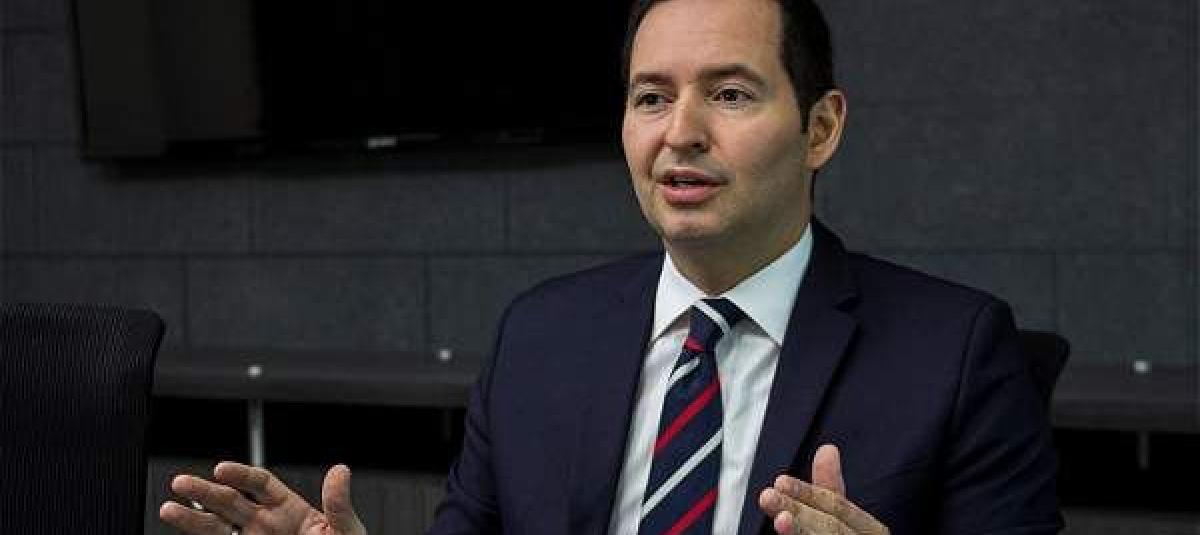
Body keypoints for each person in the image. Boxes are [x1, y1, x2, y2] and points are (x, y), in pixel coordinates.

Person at [160, 0, 1062, 533]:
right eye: (651, 96)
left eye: (730, 93)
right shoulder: (540, 335)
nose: (681, 132)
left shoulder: (955, 351)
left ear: (820, 127)